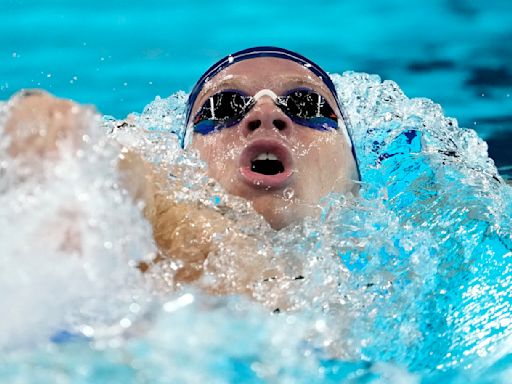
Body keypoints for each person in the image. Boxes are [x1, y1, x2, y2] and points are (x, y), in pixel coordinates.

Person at [2, 47, 360, 295]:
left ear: (356, 174)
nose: (266, 114)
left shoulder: (410, 259)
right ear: (182, 165)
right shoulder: (151, 238)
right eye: (223, 107)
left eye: (305, 103)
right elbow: (115, 172)